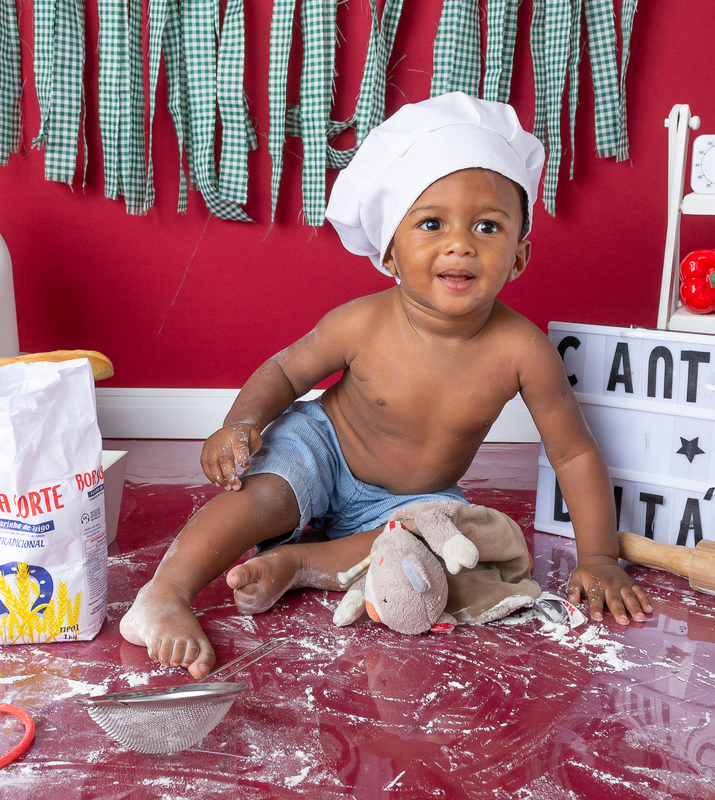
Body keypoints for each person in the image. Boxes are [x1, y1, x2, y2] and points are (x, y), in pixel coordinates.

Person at [120, 92, 652, 677]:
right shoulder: (361, 322)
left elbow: (573, 453)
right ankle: (166, 593)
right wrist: (240, 423)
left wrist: (599, 557)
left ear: (519, 258)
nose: (460, 243)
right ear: (390, 254)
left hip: (411, 496)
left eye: (487, 226)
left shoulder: (523, 351)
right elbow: (285, 371)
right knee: (264, 493)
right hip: (324, 448)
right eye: (432, 223)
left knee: (442, 541)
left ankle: (301, 564)